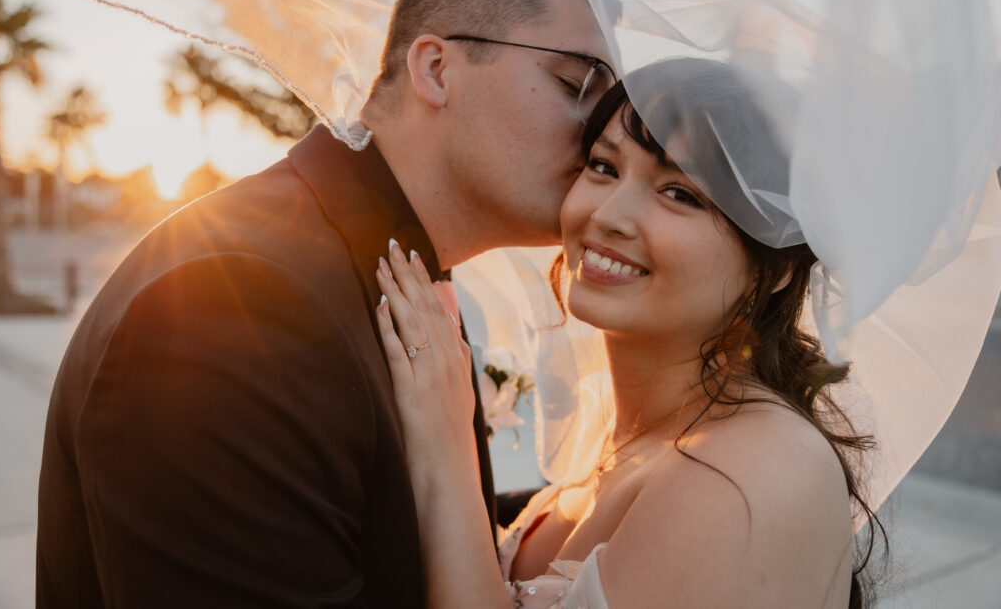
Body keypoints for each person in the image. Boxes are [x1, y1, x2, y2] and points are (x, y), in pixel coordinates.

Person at [35, 0, 615, 609]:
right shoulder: (236, 303)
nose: (599, 137)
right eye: (577, 86)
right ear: (436, 69)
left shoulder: (389, 273)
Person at [376, 59, 881, 608]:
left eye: (680, 193)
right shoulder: (624, 441)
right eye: (602, 166)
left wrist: (447, 447)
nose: (609, 214)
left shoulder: (753, 471)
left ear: (776, 267)